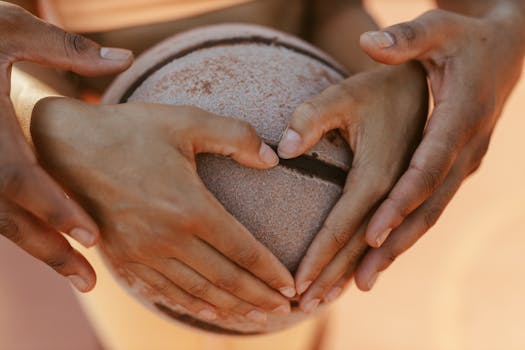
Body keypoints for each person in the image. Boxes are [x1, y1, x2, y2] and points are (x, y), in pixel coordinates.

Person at [0, 0, 523, 347]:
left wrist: (497, 33)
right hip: (125, 174)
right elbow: (19, 34)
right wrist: (41, 120)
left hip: (328, 119)